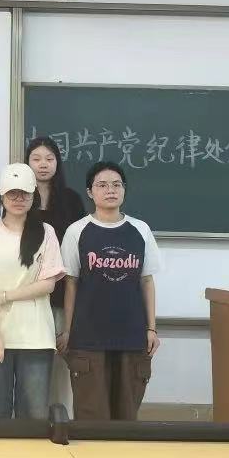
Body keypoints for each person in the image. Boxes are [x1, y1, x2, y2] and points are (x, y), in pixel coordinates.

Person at [60, 161, 163, 421]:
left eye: (117, 185)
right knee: (91, 415)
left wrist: (151, 329)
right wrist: (68, 330)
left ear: (124, 190)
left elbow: (147, 281)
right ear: (90, 192)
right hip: (88, 336)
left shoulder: (140, 230)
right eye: (102, 185)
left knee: (126, 416)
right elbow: (71, 283)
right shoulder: (76, 231)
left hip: (132, 335)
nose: (110, 190)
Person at [0, 164, 64, 419]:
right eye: (12, 193)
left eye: (24, 193)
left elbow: (48, 284)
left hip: (36, 335)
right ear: (1, 195)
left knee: (34, 416)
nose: (18, 198)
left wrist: (5, 296)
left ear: (34, 196)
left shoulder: (46, 232)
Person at [26, 136, 86, 415]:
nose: (43, 165)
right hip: (27, 293)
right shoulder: (19, 197)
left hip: (62, 293)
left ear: (57, 163)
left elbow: (80, 248)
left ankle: (62, 419)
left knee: (61, 362)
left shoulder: (71, 199)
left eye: (49, 159)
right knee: (31, 363)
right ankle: (32, 420)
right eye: (36, 159)